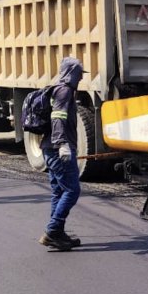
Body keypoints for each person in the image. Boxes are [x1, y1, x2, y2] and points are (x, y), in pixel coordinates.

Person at [39, 57, 86, 251]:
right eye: (79, 74)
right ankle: (52, 230)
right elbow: (57, 118)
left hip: (50, 148)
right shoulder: (64, 91)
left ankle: (57, 233)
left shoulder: (58, 88)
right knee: (72, 190)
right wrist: (62, 144)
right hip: (58, 149)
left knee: (59, 191)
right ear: (72, 73)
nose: (81, 78)